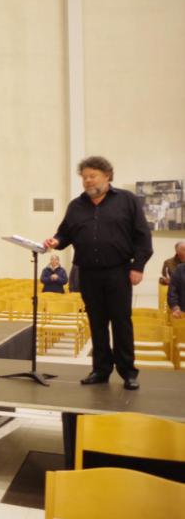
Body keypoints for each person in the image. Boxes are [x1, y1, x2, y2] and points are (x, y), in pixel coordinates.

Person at [44, 156, 153, 390]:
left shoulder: (127, 201)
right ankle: (101, 370)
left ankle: (128, 372)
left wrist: (138, 266)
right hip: (88, 273)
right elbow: (65, 234)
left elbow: (143, 237)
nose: (87, 181)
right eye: (84, 177)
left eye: (92, 176)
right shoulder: (76, 205)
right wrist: (56, 240)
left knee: (121, 322)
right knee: (97, 322)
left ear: (107, 176)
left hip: (119, 271)